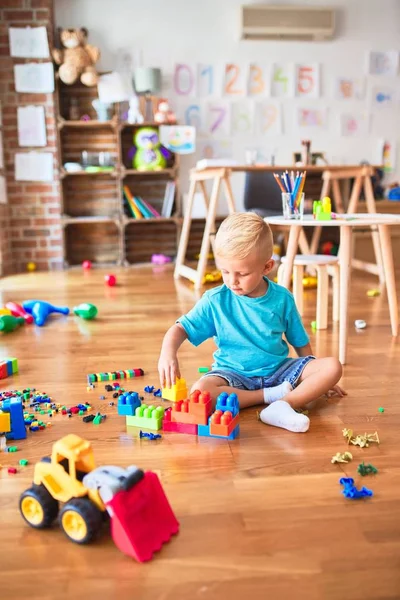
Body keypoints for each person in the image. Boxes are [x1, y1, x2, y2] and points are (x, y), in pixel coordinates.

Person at [158, 212, 346, 433]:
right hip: (233, 375)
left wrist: (315, 379)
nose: (231, 281)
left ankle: (284, 405)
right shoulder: (215, 300)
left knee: (333, 366)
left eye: (242, 273)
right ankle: (271, 397)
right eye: (225, 271)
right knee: (201, 391)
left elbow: (300, 343)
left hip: (279, 371)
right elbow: (180, 328)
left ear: (267, 267)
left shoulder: (282, 298)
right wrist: (167, 353)